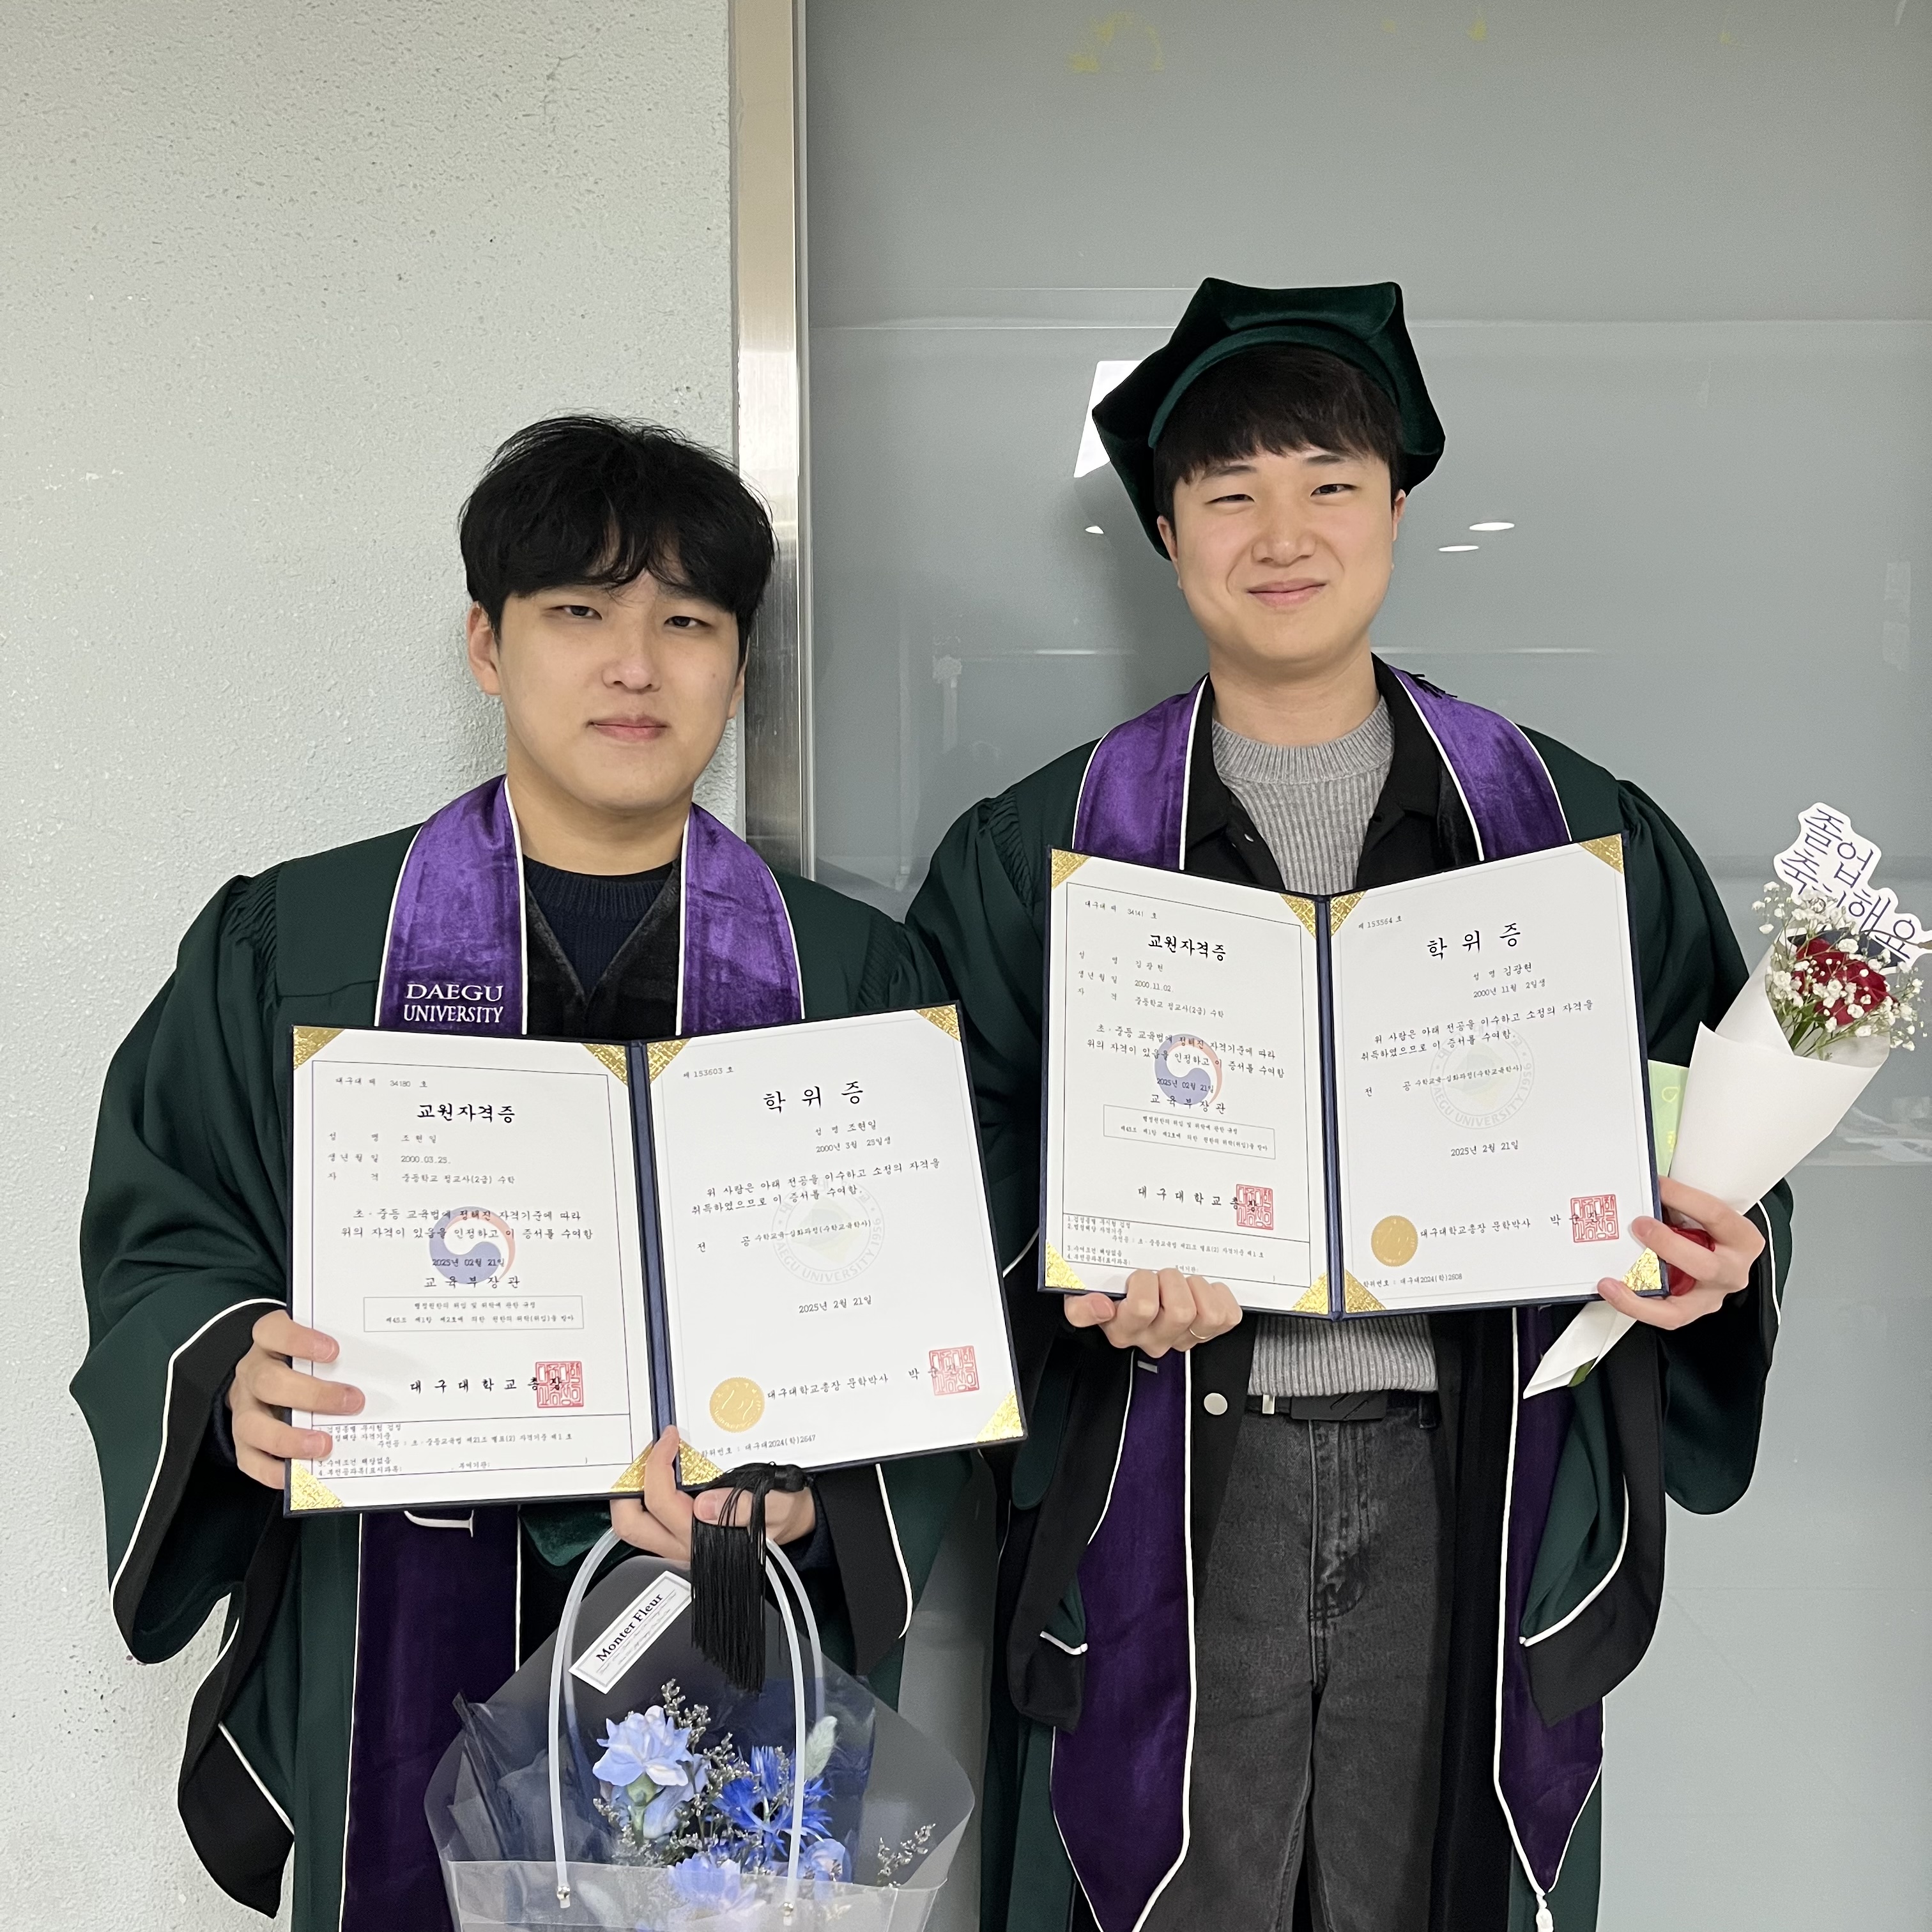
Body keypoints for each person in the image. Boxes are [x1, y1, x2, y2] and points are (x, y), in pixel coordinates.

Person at [907, 282, 1792, 1932]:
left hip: (1463, 1476)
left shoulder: (1565, 829)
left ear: (1396, 510)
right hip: (1173, 1480)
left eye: (1329, 482)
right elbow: (941, 1161)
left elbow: (1711, 1116)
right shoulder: (1044, 849)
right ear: (1167, 530)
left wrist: (1718, 1240)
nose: (1283, 533)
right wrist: (1076, 1267)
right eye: (1230, 491)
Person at [72, 417, 969, 1932]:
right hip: (389, 1595)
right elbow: (170, 1222)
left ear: (737, 663)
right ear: (487, 647)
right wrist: (229, 1373)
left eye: (688, 622)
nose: (636, 666)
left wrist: (813, 1507)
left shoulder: (849, 980)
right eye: (579, 612)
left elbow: (924, 1333)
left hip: (712, 1610)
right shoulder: (302, 947)